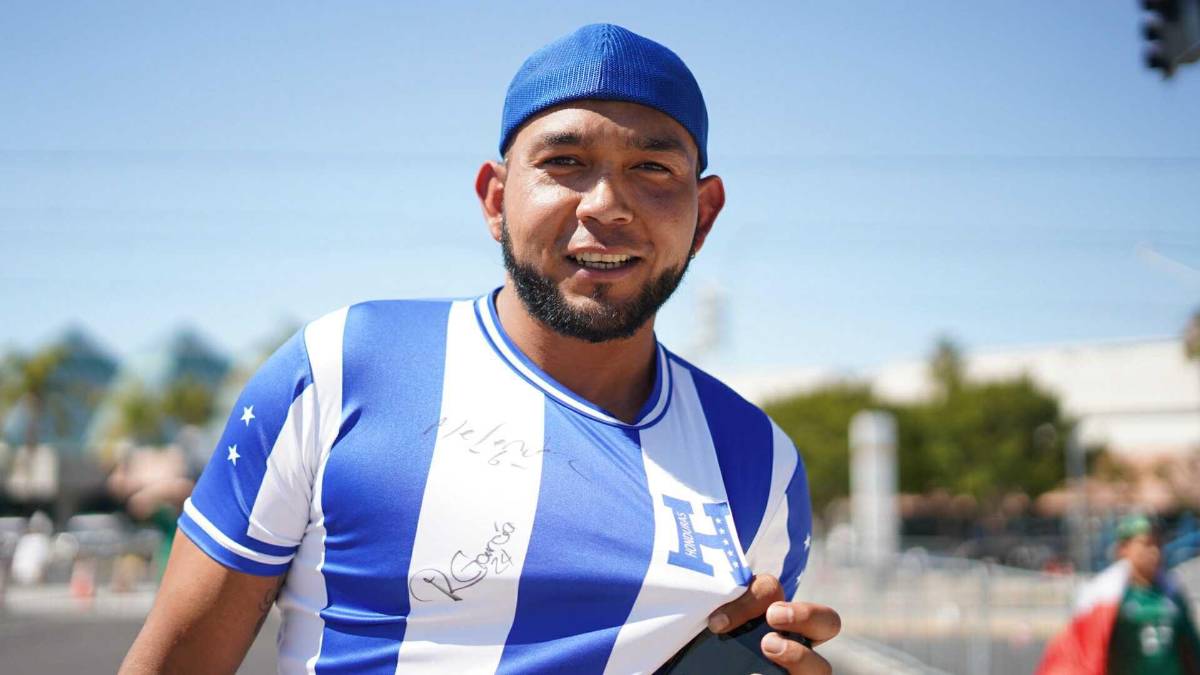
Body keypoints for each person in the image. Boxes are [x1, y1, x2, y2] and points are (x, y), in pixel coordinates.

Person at [121, 23, 840, 674]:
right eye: (564, 161)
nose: (605, 206)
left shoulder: (760, 464)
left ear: (704, 212)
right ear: (495, 200)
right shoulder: (343, 369)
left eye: (652, 169)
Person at [1037, 514, 1200, 674]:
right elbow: (1081, 651)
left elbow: (1191, 647)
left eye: (1158, 544)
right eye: (1146, 544)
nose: (1154, 552)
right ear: (1123, 549)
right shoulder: (1105, 597)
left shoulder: (1171, 593)